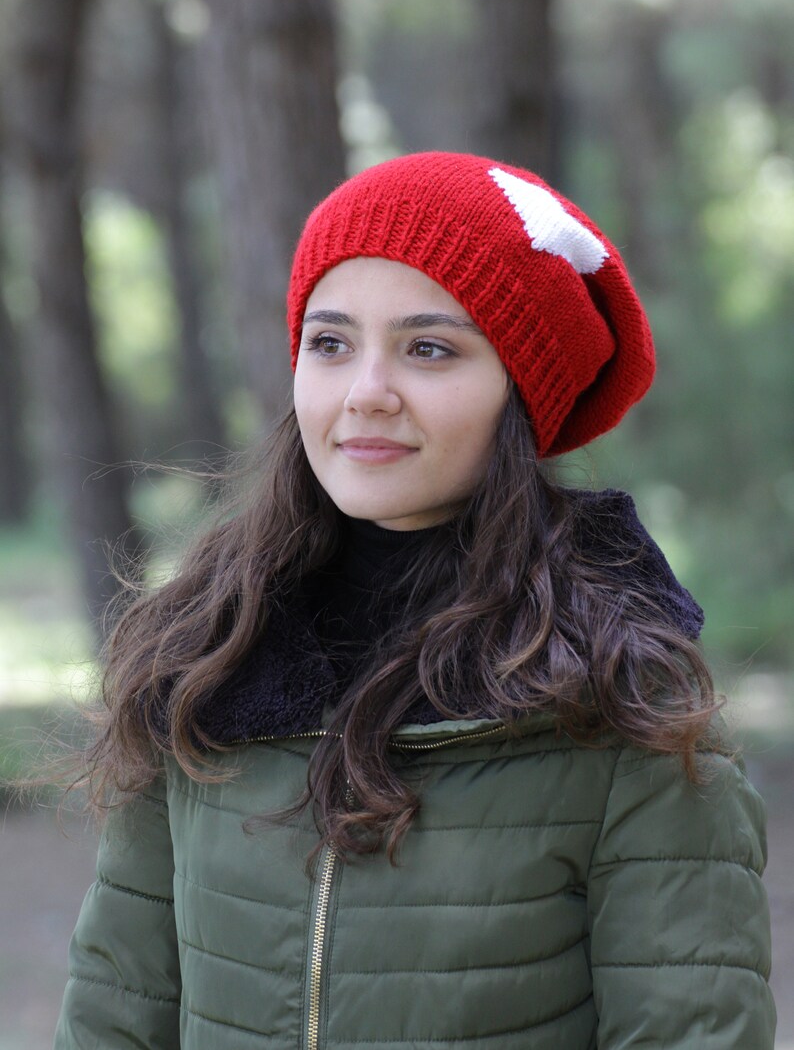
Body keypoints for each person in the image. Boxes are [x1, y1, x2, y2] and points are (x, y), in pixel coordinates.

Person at [54, 151, 775, 1049]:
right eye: (330, 341)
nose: (366, 393)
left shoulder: (625, 702)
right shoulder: (206, 656)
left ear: (520, 389)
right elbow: (114, 1017)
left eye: (429, 348)